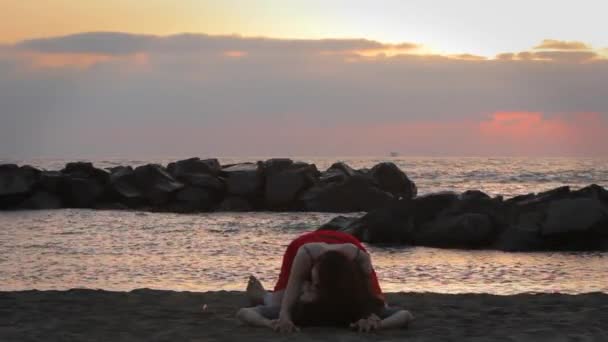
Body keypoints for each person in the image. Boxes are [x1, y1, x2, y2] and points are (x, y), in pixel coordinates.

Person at [236, 230, 414, 332]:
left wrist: (374, 321)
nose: (308, 286)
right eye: (312, 283)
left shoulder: (359, 263)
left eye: (313, 287)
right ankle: (264, 296)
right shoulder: (306, 255)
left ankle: (265, 297)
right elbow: (279, 308)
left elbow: (400, 313)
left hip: (350, 261)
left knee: (375, 302)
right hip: (306, 247)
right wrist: (283, 317)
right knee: (281, 300)